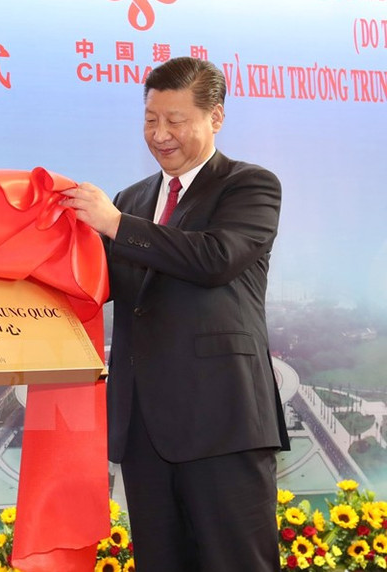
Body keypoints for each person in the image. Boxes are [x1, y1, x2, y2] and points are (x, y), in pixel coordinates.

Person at [62, 56, 288, 572]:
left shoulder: (249, 185)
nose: (160, 134)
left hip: (222, 421)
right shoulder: (133, 199)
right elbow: (103, 284)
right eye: (150, 119)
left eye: (176, 120)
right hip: (144, 425)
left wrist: (117, 225)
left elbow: (213, 259)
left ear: (216, 117)